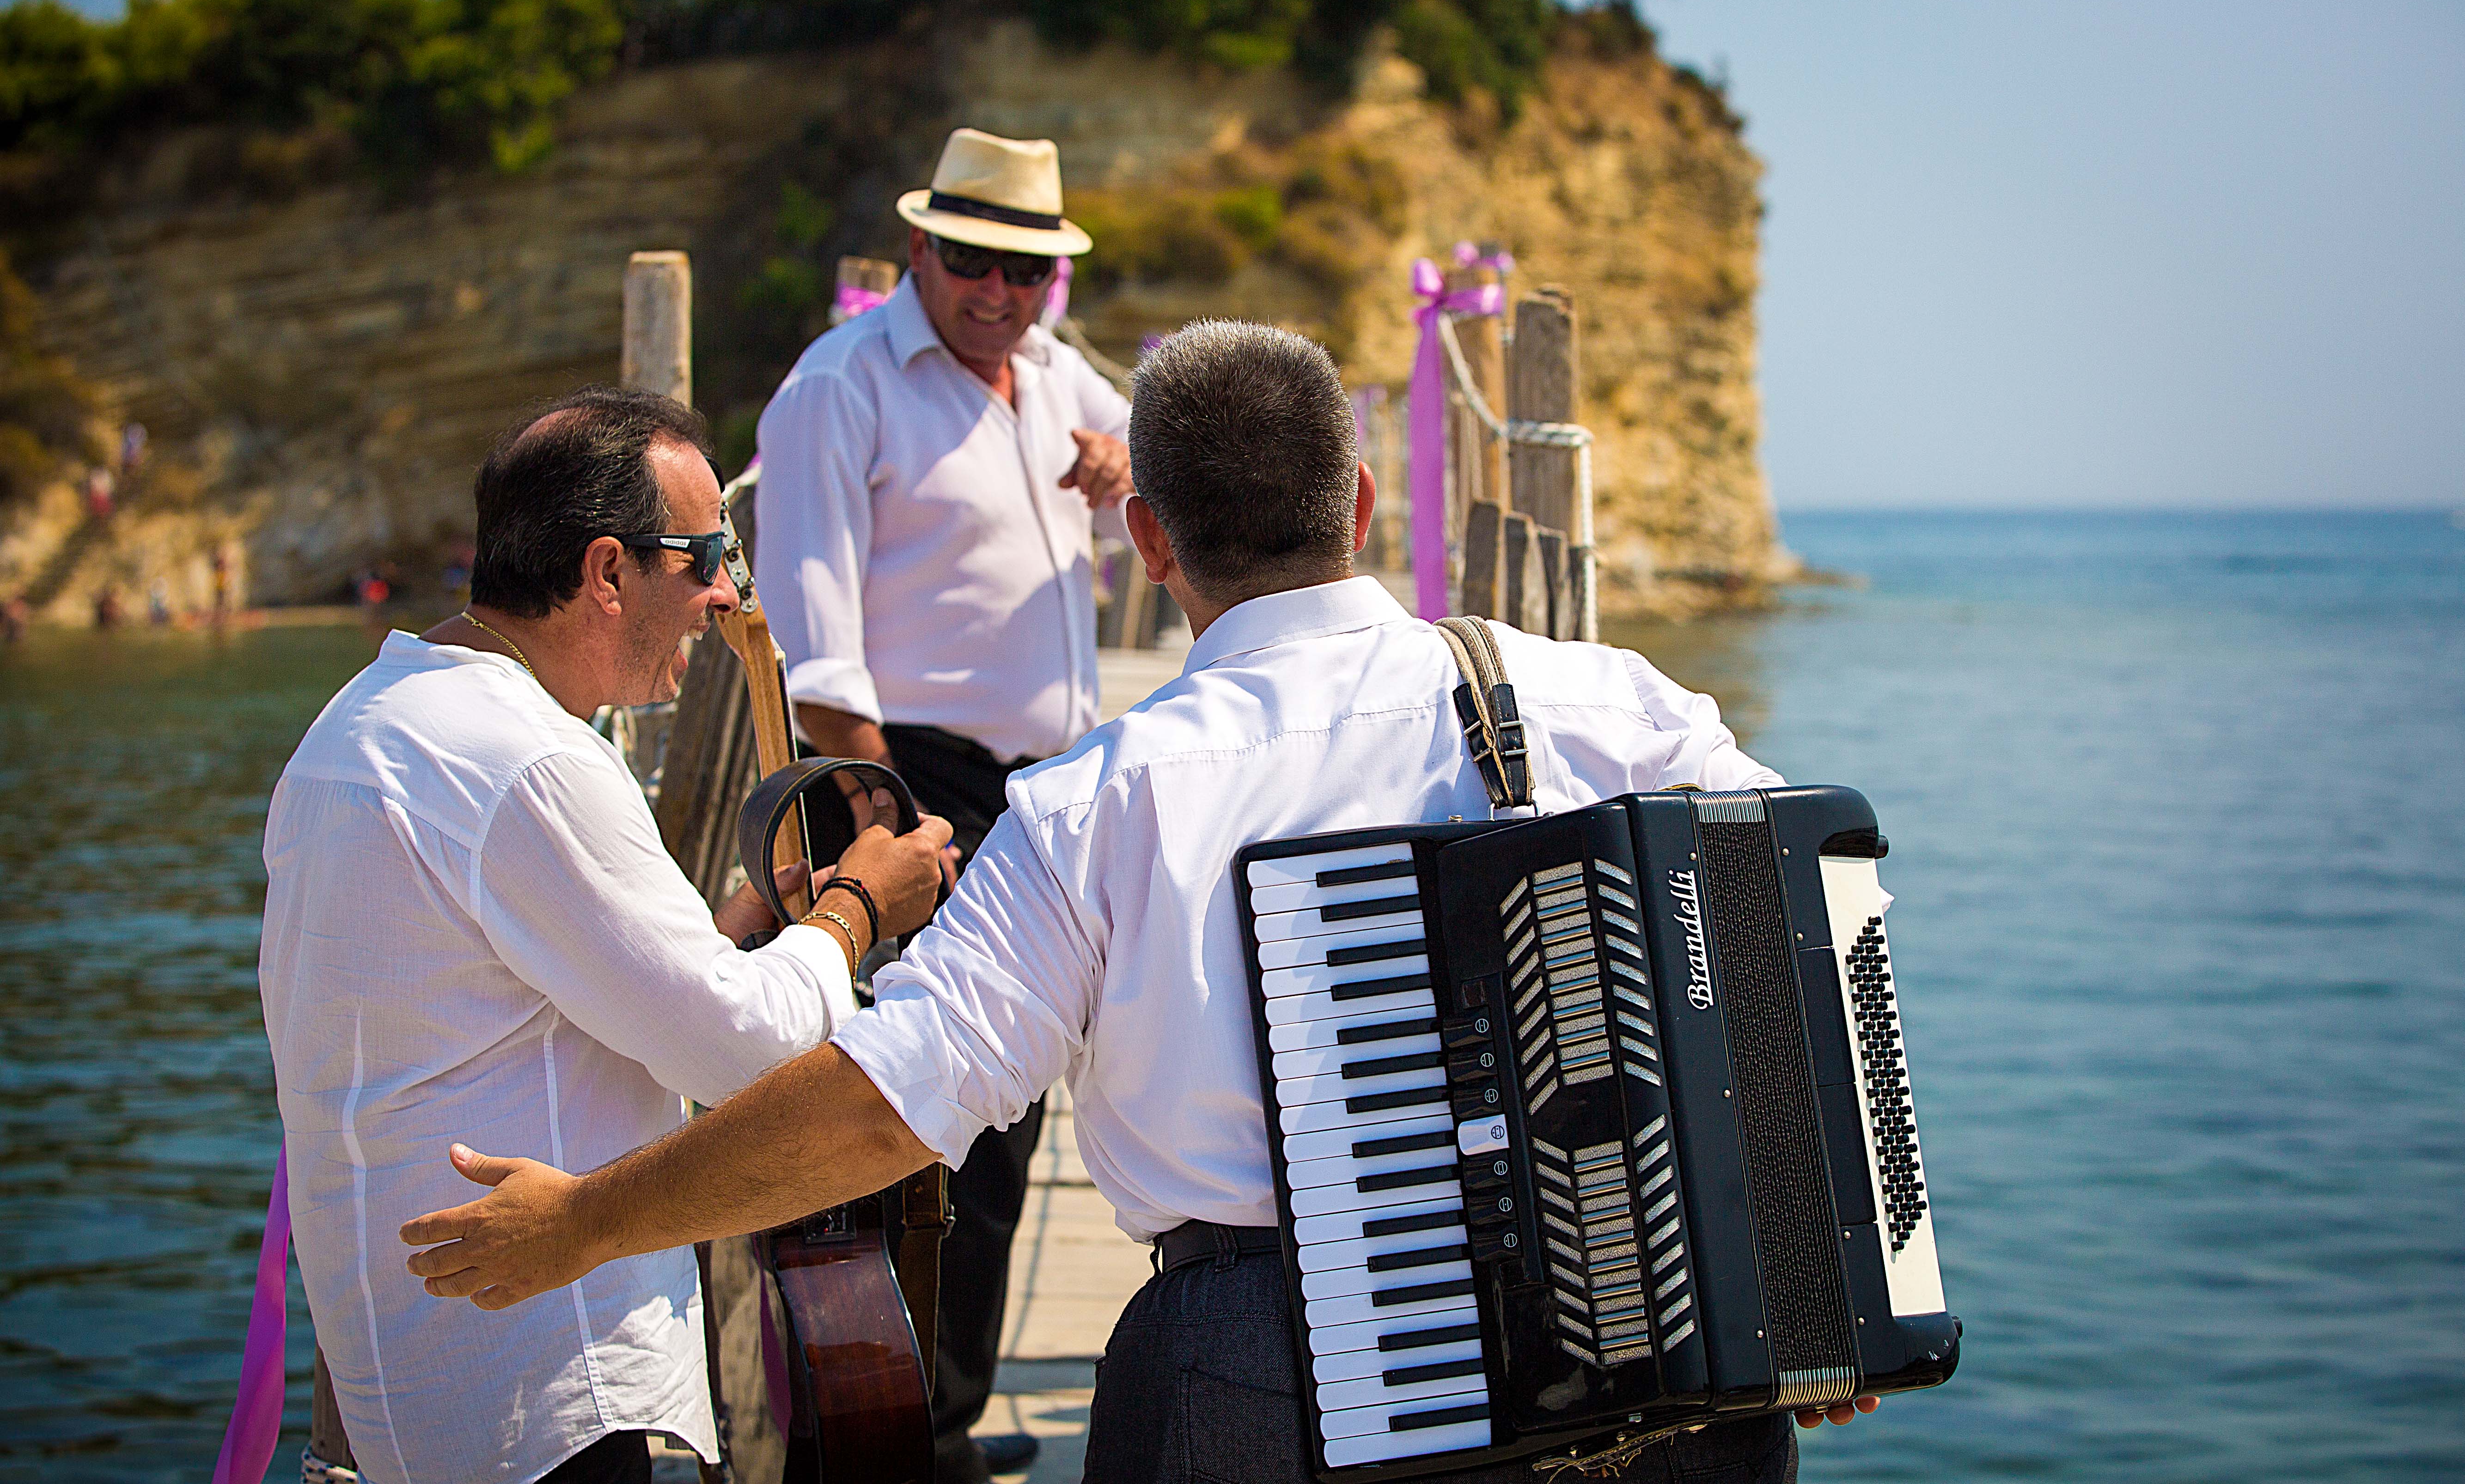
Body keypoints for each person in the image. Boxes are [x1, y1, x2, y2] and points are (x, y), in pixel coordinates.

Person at [402, 325, 1880, 1482]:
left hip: (1262, 1376)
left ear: (1148, 541)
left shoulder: (1091, 808)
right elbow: (1800, 920)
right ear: (1358, 504)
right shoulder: (1600, 697)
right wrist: (1808, 1279)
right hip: (1645, 1343)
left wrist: (588, 1222)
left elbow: (879, 1112)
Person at [260, 385, 951, 1484]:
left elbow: (513, 996)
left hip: (412, 1390)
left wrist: (743, 924)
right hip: (540, 1392)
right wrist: (858, 905)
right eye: (708, 552)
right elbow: (748, 1049)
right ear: (607, 571)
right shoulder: (531, 759)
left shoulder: (357, 727)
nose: (726, 594)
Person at [752, 124, 1130, 1480]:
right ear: (921, 247)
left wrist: (1113, 457)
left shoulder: (1048, 370)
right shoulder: (836, 388)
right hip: (906, 778)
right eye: (973, 260)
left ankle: (943, 1427)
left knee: (1004, 1118)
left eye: (1028, 270)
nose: (999, 291)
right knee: (894, 1124)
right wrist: (879, 821)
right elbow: (812, 641)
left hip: (1040, 788)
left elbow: (1149, 443)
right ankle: (863, 1446)